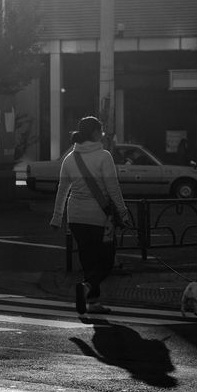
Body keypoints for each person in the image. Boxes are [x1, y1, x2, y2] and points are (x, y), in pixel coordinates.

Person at [49, 115, 132, 316]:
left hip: (75, 217)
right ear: (95, 133)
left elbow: (62, 190)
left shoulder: (70, 158)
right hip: (99, 218)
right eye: (101, 130)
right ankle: (88, 288)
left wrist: (56, 216)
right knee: (106, 260)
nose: (102, 134)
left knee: (88, 259)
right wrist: (123, 212)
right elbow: (113, 188)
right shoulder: (104, 157)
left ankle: (93, 301)